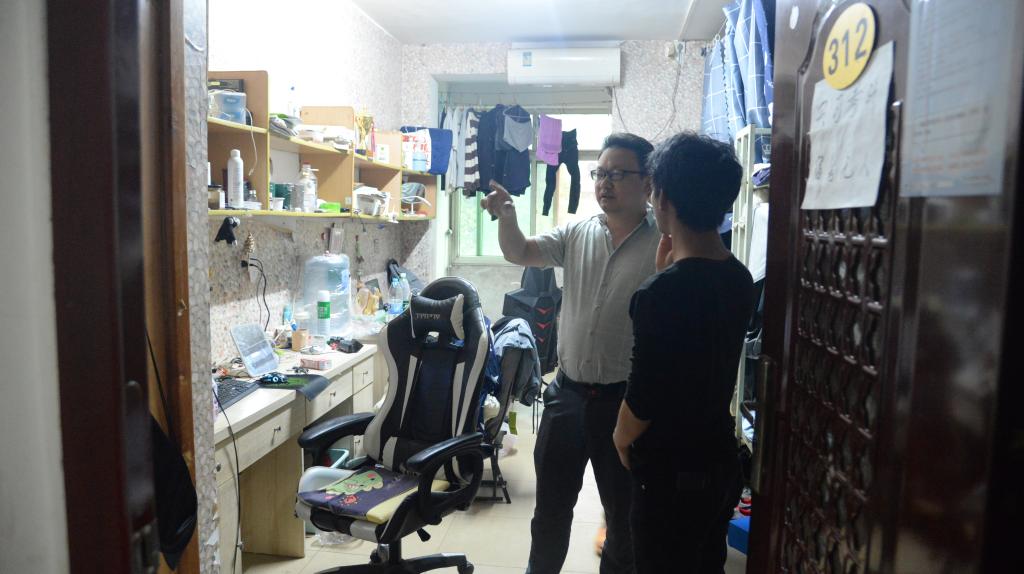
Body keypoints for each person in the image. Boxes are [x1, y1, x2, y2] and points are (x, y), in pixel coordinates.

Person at [481, 133, 660, 574]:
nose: (604, 183)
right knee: (550, 510)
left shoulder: (663, 243)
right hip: (567, 397)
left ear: (647, 183)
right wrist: (507, 216)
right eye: (600, 173)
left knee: (623, 517)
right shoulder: (578, 232)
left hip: (624, 403)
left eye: (618, 174)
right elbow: (519, 251)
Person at [613, 132, 754, 573]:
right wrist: (667, 275)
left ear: (664, 200)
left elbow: (644, 394)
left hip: (670, 471)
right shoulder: (741, 279)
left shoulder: (659, 293)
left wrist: (620, 437)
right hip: (718, 460)